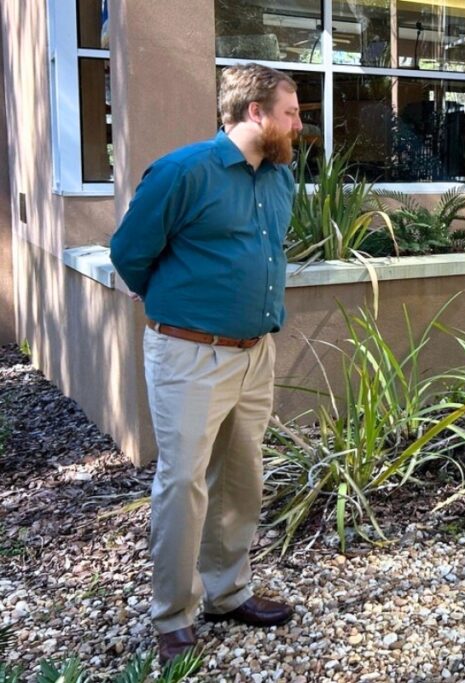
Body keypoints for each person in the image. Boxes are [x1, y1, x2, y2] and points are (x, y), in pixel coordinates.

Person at [109, 63, 303, 664]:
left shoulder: (279, 179)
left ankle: (227, 592)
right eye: (292, 112)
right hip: (190, 356)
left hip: (255, 354)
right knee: (184, 483)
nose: (300, 123)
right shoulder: (182, 172)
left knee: (241, 479)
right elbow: (130, 253)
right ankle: (173, 615)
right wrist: (176, 306)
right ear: (256, 113)